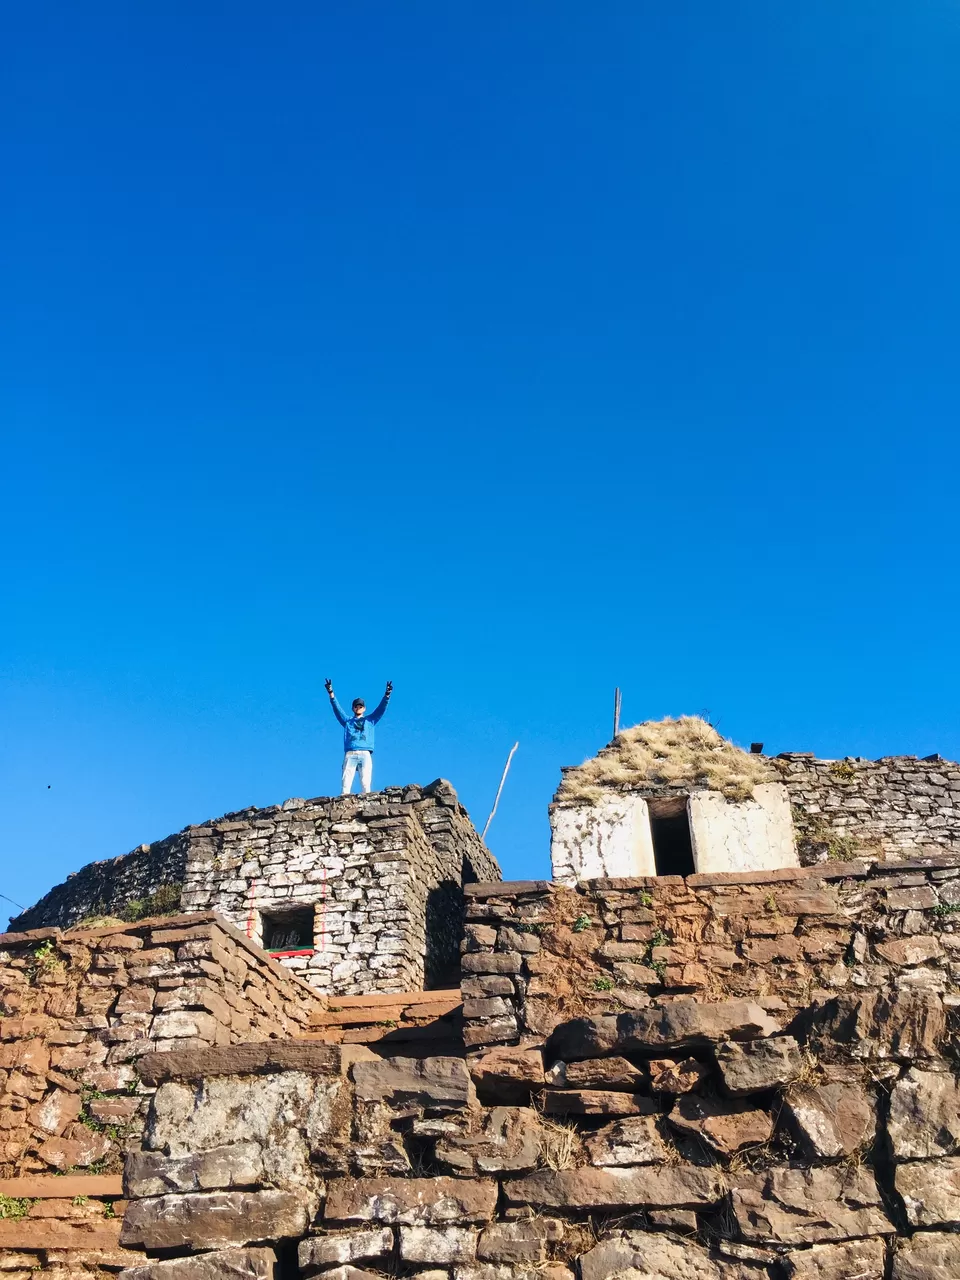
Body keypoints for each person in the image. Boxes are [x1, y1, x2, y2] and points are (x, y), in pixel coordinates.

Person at [325, 678, 393, 795]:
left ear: (364, 708)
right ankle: (344, 799)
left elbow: (381, 709)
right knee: (346, 780)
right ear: (353, 708)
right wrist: (331, 693)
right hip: (351, 753)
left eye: (360, 706)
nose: (358, 708)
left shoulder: (370, 720)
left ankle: (367, 800)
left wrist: (387, 695)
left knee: (365, 781)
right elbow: (337, 710)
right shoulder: (347, 721)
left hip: (365, 752)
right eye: (356, 706)